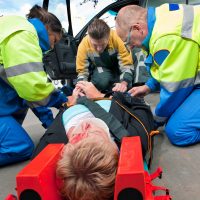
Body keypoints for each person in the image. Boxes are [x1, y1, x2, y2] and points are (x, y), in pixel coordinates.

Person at [115, 3, 200, 146]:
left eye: (128, 41)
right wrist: (148, 86)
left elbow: (176, 88)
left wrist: (154, 119)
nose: (130, 46)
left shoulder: (166, 37)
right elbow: (169, 66)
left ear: (137, 28)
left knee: (178, 131)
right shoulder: (161, 15)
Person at [0, 5, 69, 166]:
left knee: (20, 100)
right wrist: (61, 99)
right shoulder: (23, 33)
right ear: (48, 29)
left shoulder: (21, 31)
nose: (52, 47)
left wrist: (51, 124)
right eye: (55, 41)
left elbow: (27, 93)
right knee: (20, 147)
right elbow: (32, 87)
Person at [76, 18, 134, 93]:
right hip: (101, 68)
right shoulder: (83, 45)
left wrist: (124, 84)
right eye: (95, 45)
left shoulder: (116, 37)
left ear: (108, 36)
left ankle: (137, 87)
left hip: (118, 67)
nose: (99, 49)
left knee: (127, 81)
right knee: (101, 80)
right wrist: (80, 88)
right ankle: (108, 91)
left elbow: (126, 64)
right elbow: (82, 71)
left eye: (102, 44)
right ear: (89, 38)